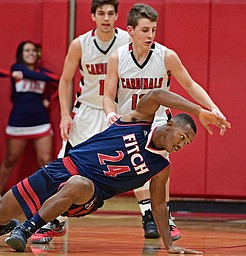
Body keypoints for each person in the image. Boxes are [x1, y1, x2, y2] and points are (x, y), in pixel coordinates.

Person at [0, 89, 231, 253]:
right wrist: (199, 111)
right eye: (182, 137)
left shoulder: (162, 167)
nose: (181, 145)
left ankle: (25, 230)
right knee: (2, 210)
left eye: (186, 143)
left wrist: (169, 244)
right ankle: (7, 225)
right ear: (169, 125)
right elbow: (156, 95)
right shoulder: (137, 121)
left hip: (90, 193)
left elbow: (159, 205)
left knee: (78, 184)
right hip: (62, 168)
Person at [103, 3, 228, 241]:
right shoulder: (117, 58)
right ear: (130, 30)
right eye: (144, 30)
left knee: (159, 166)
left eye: (153, 30)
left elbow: (190, 84)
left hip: (159, 122)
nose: (150, 35)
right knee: (133, 170)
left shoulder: (166, 56)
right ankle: (147, 213)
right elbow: (108, 96)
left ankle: (164, 216)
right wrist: (111, 115)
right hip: (128, 121)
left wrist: (213, 108)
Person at [30, 0, 130, 244]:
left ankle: (152, 215)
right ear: (93, 16)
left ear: (117, 16)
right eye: (101, 13)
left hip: (115, 112)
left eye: (110, 13)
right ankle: (54, 220)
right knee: (66, 166)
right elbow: (65, 80)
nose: (106, 18)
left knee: (136, 159)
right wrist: (65, 115)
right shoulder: (80, 44)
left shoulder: (127, 40)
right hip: (85, 111)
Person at [0, 41, 59, 196]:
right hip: (18, 122)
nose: (31, 53)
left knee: (45, 159)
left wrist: (49, 98)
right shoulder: (16, 68)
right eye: (27, 50)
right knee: (10, 160)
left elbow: (56, 79)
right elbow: (43, 78)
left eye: (34, 50)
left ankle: (54, 194)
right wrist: (20, 74)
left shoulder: (40, 72)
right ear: (21, 54)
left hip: (40, 122)